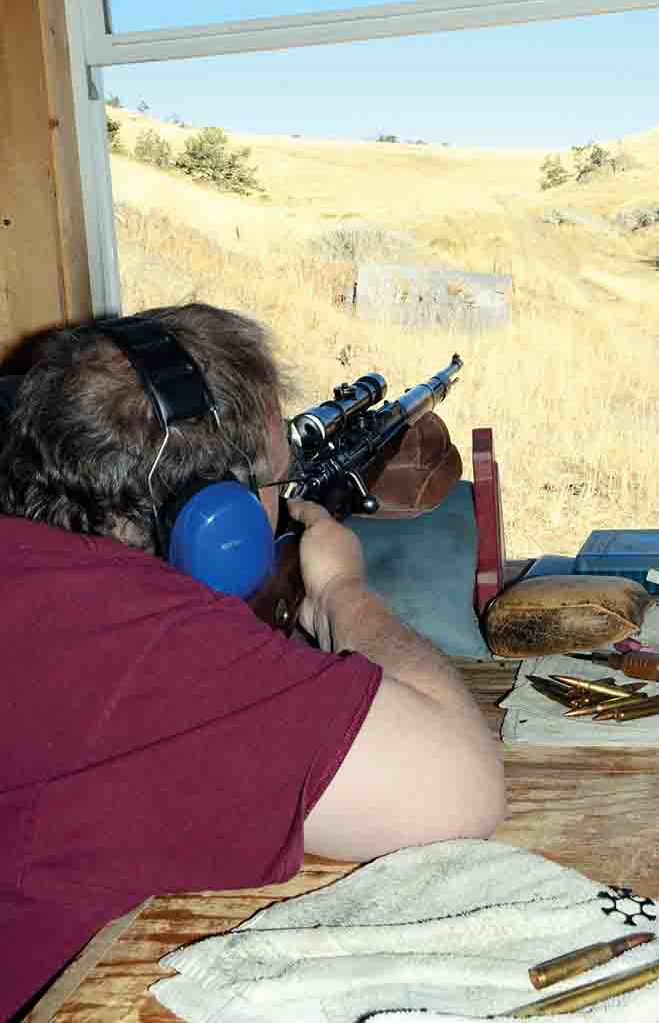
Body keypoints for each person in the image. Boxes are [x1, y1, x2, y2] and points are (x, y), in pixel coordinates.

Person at [0, 303, 504, 1019]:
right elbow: (454, 798)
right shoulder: (137, 640)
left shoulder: (41, 584)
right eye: (275, 479)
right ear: (215, 520)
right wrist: (339, 591)